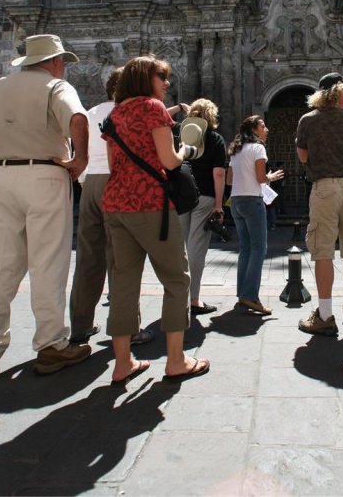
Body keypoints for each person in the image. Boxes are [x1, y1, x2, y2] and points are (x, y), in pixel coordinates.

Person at [0, 34, 92, 379]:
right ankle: (51, 344)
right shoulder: (55, 87)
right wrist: (80, 159)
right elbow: (79, 120)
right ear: (56, 62)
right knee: (48, 263)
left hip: (1, 180)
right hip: (45, 174)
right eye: (63, 63)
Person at [102, 56, 209, 382]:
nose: (166, 84)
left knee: (123, 284)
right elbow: (170, 161)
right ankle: (176, 360)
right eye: (160, 78)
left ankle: (123, 364)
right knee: (176, 280)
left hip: (116, 204)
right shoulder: (152, 108)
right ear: (144, 80)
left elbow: (112, 165)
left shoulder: (115, 113)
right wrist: (188, 150)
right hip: (150, 204)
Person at [68, 68, 153, 347]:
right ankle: (127, 327)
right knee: (122, 259)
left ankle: (80, 326)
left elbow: (78, 151)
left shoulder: (91, 112)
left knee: (88, 258)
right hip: (117, 182)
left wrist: (84, 181)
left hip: (90, 183)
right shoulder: (127, 113)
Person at [295, 72, 343, 337]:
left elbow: (303, 156)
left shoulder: (307, 120)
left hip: (323, 188)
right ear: (339, 93)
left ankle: (325, 314)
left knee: (323, 250)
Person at [227, 115, 284, 315]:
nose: (266, 129)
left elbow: (229, 180)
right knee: (259, 248)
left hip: (236, 201)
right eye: (263, 126)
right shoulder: (258, 148)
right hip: (252, 201)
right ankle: (250, 296)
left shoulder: (236, 150)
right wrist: (270, 177)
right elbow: (261, 177)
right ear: (253, 130)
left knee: (245, 248)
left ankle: (242, 293)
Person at [176, 98, 228, 315]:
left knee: (179, 249)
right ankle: (194, 299)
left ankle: (176, 296)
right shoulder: (214, 138)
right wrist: (219, 204)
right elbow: (218, 173)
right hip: (204, 197)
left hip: (179, 196)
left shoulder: (179, 136)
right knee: (197, 248)